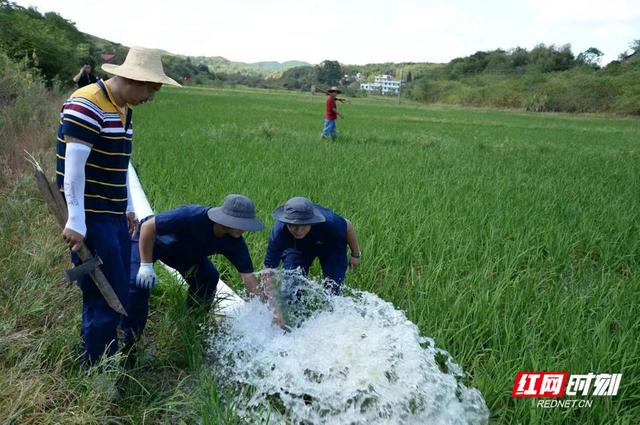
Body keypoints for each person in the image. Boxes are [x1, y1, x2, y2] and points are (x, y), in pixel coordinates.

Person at [57, 46, 180, 365]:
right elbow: (73, 170)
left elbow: (119, 163)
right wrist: (77, 220)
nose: (152, 96)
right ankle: (97, 369)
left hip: (112, 214)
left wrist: (126, 206)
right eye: (152, 88)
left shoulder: (123, 108)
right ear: (134, 79)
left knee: (115, 290)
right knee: (105, 294)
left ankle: (100, 353)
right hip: (92, 216)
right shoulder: (87, 104)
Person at [123, 195, 282, 351]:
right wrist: (146, 265)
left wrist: (271, 311)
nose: (244, 228)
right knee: (136, 285)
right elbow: (148, 227)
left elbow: (249, 278)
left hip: (184, 254)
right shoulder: (192, 215)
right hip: (151, 242)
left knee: (208, 278)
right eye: (241, 223)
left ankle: (191, 326)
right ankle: (128, 344)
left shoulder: (235, 243)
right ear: (227, 219)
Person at [264, 197, 361, 295]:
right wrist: (272, 298)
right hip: (298, 248)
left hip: (331, 246)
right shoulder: (279, 233)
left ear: (311, 221)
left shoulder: (329, 221)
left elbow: (348, 226)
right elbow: (269, 269)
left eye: (304, 225)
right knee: (291, 286)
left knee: (333, 288)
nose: (298, 231)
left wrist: (355, 255)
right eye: (293, 225)